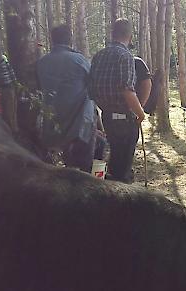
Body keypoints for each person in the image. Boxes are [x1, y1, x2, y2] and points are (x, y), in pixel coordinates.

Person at [90, 18, 146, 183]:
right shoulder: (125, 56)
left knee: (114, 157)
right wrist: (140, 113)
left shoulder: (99, 56)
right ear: (129, 36)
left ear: (112, 34)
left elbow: (92, 90)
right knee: (123, 166)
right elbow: (127, 90)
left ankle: (109, 187)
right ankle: (121, 197)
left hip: (106, 116)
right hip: (124, 118)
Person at [36, 24, 97, 173]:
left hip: (53, 125)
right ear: (70, 39)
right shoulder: (79, 60)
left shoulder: (41, 63)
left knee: (66, 168)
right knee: (85, 168)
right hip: (80, 124)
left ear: (53, 40)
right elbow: (94, 87)